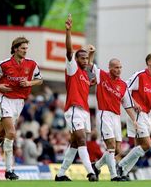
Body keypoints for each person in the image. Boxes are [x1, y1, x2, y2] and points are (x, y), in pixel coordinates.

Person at [0, 37, 43, 180]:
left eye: (26, 48)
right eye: (23, 48)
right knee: (11, 133)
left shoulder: (31, 64)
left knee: (0, 136)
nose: (25, 51)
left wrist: (30, 82)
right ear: (15, 48)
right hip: (5, 100)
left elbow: (40, 79)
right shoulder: (4, 64)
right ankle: (9, 170)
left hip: (19, 103)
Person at [54, 14, 97, 182]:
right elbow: (69, 50)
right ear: (76, 59)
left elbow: (85, 80)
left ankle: (60, 174)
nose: (85, 60)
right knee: (81, 138)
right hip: (73, 109)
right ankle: (90, 172)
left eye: (87, 58)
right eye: (82, 58)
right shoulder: (72, 68)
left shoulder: (85, 76)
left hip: (84, 112)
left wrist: (90, 55)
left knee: (74, 143)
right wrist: (68, 31)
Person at [90, 58, 137, 181]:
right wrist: (91, 53)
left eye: (120, 67)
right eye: (116, 67)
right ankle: (114, 176)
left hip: (116, 117)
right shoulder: (101, 75)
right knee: (110, 146)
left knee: (117, 150)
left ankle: (96, 166)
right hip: (104, 114)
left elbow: (127, 105)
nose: (119, 70)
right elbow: (89, 64)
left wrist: (134, 120)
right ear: (110, 68)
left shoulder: (123, 85)